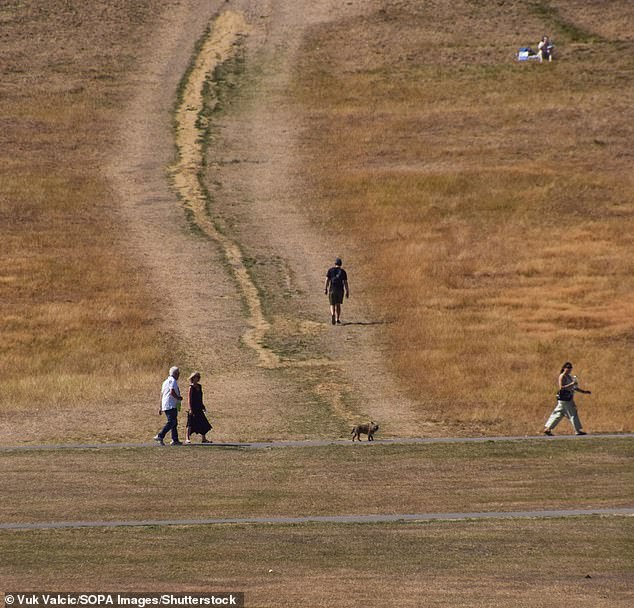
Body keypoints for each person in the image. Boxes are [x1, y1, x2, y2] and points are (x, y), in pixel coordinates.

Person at [544, 361, 591, 436]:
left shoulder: (569, 376)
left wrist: (584, 391)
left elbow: (574, 387)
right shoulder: (562, 376)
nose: (569, 370)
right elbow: (561, 387)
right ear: (564, 368)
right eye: (567, 368)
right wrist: (571, 384)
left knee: (558, 414)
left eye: (570, 368)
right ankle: (577, 431)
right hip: (565, 398)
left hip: (567, 398)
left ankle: (547, 429)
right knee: (573, 413)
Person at [154, 366, 183, 445]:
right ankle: (160, 435)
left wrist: (160, 406)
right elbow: (172, 392)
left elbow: (161, 394)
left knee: (174, 422)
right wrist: (178, 398)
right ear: (176, 374)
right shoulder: (172, 381)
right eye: (178, 374)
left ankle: (175, 439)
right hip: (171, 404)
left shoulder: (165, 382)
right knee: (171, 422)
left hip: (166, 404)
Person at [185, 371, 212, 444]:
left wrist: (203, 405)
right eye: (197, 377)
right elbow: (189, 399)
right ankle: (187, 438)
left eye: (199, 377)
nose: (198, 379)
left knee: (203, 422)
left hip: (199, 407)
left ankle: (204, 438)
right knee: (190, 423)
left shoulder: (199, 386)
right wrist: (190, 409)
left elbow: (200, 396)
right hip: (193, 407)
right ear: (193, 378)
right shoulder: (191, 387)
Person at [324, 257, 349, 325]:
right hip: (340, 290)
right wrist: (347, 291)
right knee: (338, 304)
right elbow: (345, 282)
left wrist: (325, 288)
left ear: (335, 263)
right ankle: (337, 319)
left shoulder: (330, 270)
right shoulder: (343, 272)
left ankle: (333, 314)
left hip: (332, 289)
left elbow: (327, 280)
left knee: (332, 304)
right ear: (340, 264)